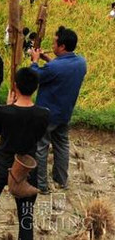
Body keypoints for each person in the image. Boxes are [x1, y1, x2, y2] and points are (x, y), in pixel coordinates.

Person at [0, 68, 49, 240]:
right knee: (26, 217)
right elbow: (39, 137)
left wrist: (9, 106)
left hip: (0, 164)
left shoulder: (2, 111)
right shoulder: (44, 114)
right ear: (35, 88)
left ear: (15, 86)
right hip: (27, 167)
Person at [31, 26, 86, 194]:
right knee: (61, 145)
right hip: (64, 113)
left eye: (55, 43)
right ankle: (61, 180)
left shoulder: (54, 68)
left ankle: (41, 185)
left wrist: (34, 61)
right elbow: (59, 71)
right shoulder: (81, 62)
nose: (52, 46)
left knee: (41, 147)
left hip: (47, 114)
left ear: (62, 46)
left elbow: (36, 77)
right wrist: (49, 59)